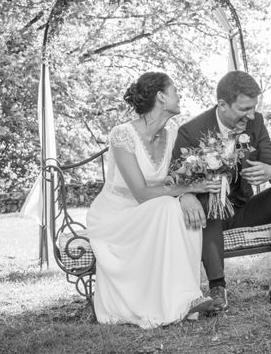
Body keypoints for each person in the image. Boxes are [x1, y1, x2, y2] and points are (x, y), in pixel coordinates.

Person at [173, 70, 271, 311]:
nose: (251, 114)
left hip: (243, 208)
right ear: (222, 105)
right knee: (208, 201)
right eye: (244, 109)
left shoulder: (256, 122)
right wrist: (187, 194)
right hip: (209, 217)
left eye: (253, 107)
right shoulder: (190, 132)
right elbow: (175, 179)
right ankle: (217, 288)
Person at [86, 71, 219, 329]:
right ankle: (182, 299)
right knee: (170, 206)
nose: (179, 96)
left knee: (182, 207)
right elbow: (142, 193)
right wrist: (190, 188)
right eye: (175, 91)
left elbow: (172, 180)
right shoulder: (122, 135)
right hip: (118, 217)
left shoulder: (171, 135)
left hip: (153, 210)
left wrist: (188, 193)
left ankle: (187, 298)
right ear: (161, 97)